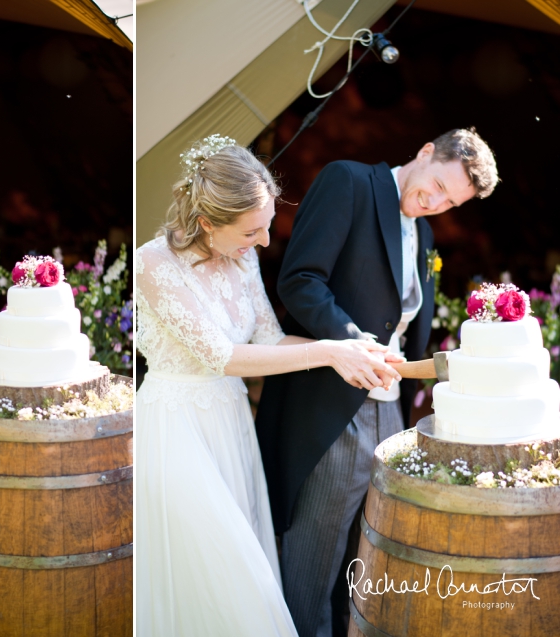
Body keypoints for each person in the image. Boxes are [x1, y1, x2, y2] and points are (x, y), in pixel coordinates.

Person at [135, 135, 403, 637]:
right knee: (226, 578)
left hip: (234, 429)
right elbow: (224, 355)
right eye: (252, 230)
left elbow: (270, 339)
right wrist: (328, 351)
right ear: (207, 222)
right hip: (178, 433)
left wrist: (355, 350)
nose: (263, 241)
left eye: (267, 227)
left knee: (232, 581)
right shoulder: (153, 264)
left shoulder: (242, 258)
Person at [254, 128, 499, 637]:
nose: (434, 203)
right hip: (333, 400)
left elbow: (405, 324)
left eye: (450, 202)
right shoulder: (350, 182)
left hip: (391, 409)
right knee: (313, 559)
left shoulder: (425, 234)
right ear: (425, 152)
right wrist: (351, 341)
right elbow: (300, 280)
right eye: (436, 187)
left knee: (363, 558)